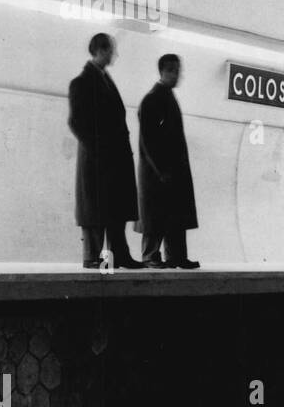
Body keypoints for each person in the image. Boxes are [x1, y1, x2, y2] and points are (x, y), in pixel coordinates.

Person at [68, 33, 143, 269]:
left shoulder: (102, 79)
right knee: (96, 210)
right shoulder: (82, 82)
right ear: (101, 50)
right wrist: (98, 151)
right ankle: (93, 257)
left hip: (111, 159)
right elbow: (76, 122)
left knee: (113, 208)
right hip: (98, 160)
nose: (115, 55)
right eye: (112, 50)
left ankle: (118, 255)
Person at [137, 54, 200, 269]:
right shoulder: (154, 98)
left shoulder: (165, 97)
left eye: (178, 69)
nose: (177, 74)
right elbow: (148, 140)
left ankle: (176, 256)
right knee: (157, 215)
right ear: (162, 71)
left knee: (170, 213)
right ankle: (151, 256)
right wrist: (161, 169)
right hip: (159, 172)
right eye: (172, 70)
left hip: (169, 171)